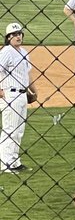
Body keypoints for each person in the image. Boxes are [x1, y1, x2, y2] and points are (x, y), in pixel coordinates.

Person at [0, 22, 36, 174]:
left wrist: (34, 91)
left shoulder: (24, 52)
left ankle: (14, 161)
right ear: (8, 38)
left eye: (19, 33)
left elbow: (28, 74)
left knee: (18, 131)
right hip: (10, 94)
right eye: (14, 34)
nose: (18, 36)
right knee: (10, 130)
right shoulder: (6, 52)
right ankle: (5, 163)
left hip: (22, 95)